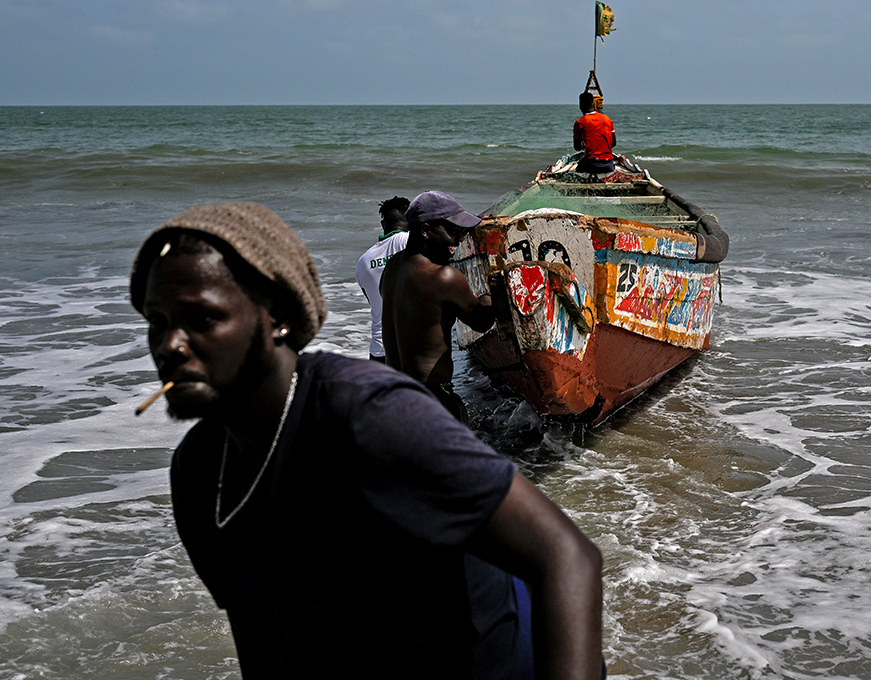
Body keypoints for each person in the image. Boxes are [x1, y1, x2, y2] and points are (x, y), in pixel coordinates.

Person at [129, 202, 603, 680]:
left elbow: (565, 555)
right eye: (157, 321)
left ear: (278, 319)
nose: (169, 345)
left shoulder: (369, 416)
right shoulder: (199, 472)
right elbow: (259, 633)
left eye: (203, 320)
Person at [381, 190, 494, 423]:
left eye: (462, 233)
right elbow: (482, 322)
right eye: (453, 232)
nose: (458, 241)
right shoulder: (444, 277)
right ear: (425, 231)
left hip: (395, 394)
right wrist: (489, 295)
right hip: (431, 399)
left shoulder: (391, 268)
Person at [354, 195, 409, 362]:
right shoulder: (411, 242)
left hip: (379, 350)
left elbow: (375, 302)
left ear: (383, 225)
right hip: (409, 348)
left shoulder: (363, 261)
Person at [572, 92, 616, 175]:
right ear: (593, 103)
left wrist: (583, 145)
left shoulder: (579, 122)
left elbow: (577, 147)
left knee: (580, 167)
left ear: (580, 106)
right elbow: (613, 143)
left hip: (590, 164)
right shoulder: (607, 119)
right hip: (608, 165)